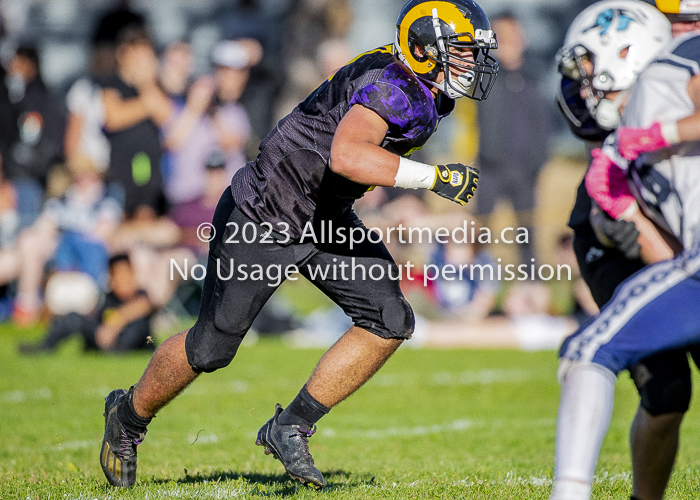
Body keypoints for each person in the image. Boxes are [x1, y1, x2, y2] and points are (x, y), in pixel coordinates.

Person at [98, 0, 497, 490]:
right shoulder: (395, 87)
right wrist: (432, 177)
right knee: (212, 347)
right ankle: (128, 415)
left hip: (322, 217)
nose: (471, 63)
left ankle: (290, 426)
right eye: (460, 52)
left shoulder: (424, 89)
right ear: (424, 50)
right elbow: (348, 154)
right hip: (265, 213)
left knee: (389, 318)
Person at [551, 3, 700, 499]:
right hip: (625, 243)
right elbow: (667, 256)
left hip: (685, 255)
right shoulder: (610, 162)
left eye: (593, 71)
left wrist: (663, 133)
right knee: (666, 389)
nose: (583, 86)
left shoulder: (668, 83)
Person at [475, 12, 551, 264]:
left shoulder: (534, 78)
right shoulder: (485, 78)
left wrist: (539, 161)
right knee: (479, 231)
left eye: (511, 36)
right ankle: (472, 282)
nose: (507, 42)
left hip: (525, 169)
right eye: (501, 37)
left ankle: (531, 286)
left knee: (527, 235)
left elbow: (543, 124)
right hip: (490, 168)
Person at [19, 253, 154, 354]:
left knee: (140, 323)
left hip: (129, 344)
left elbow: (146, 305)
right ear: (111, 278)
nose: (122, 280)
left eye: (125, 274)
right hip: (103, 340)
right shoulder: (109, 297)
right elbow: (93, 318)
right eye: (117, 275)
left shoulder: (141, 295)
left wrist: (115, 322)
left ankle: (116, 350)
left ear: (133, 274)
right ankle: (45, 347)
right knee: (74, 317)